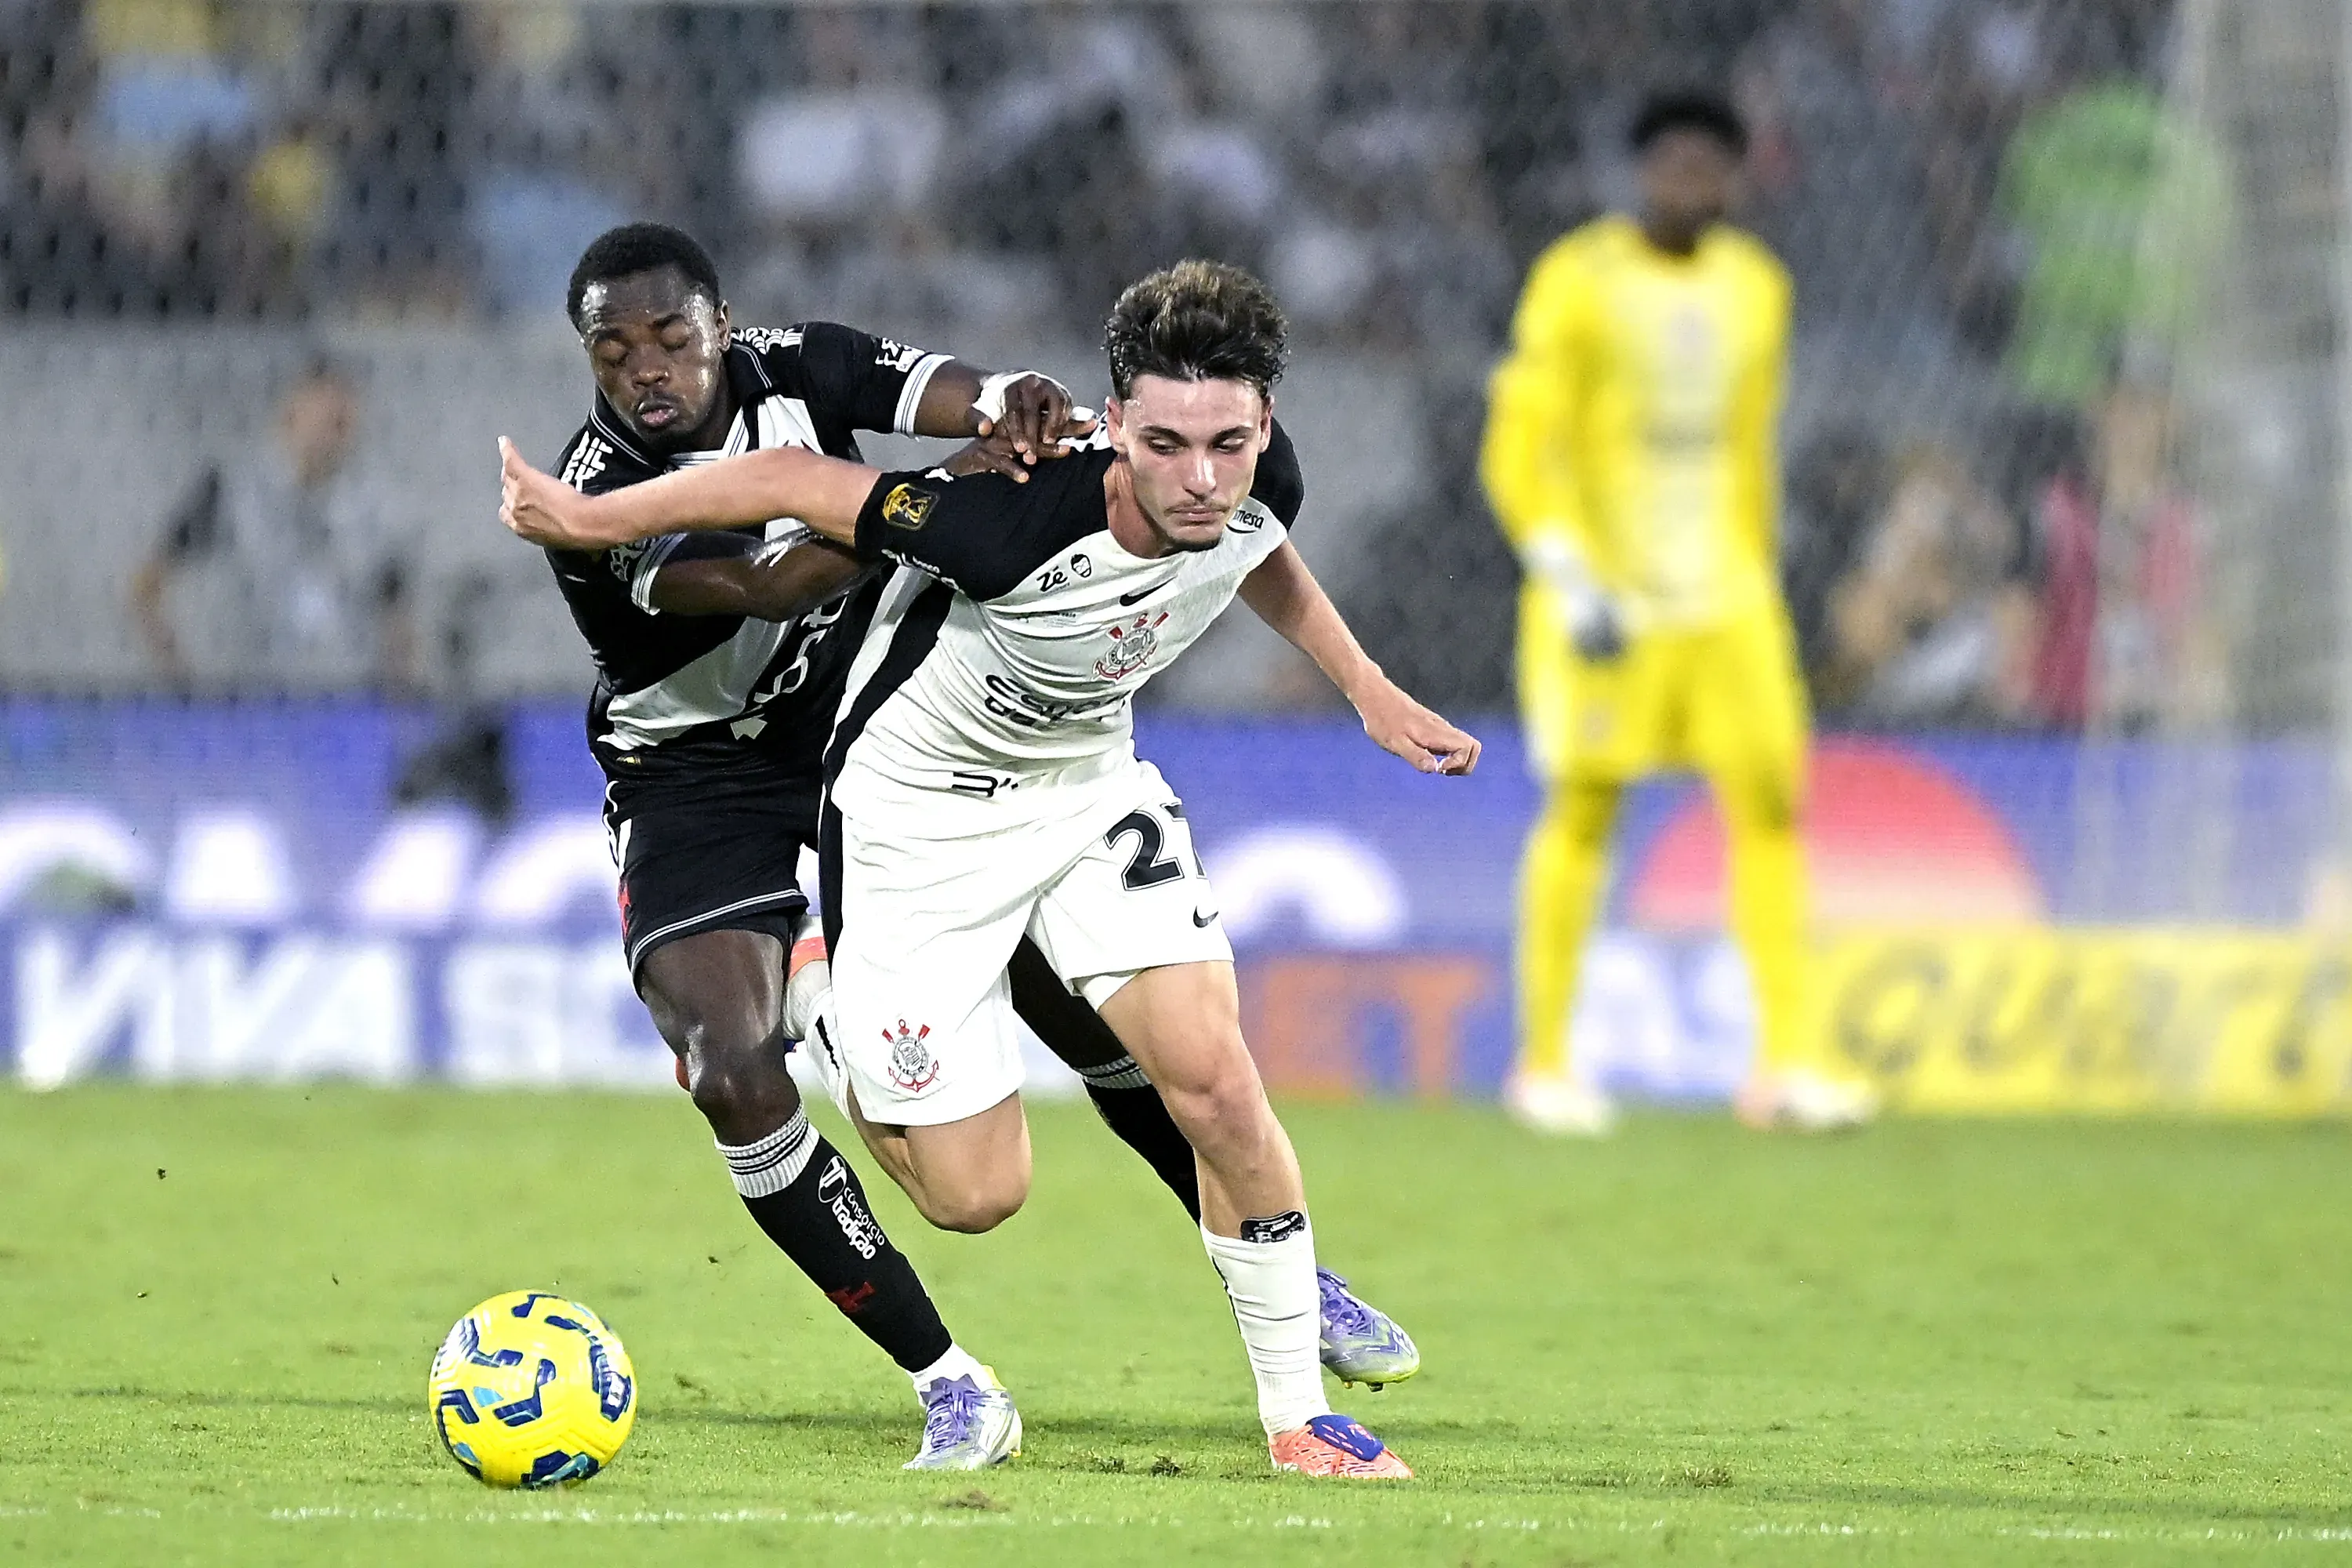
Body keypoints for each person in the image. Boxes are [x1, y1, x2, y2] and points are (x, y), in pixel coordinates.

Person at [499, 258, 1477, 1479]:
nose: (1205, 476)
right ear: (1119, 427)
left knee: (1211, 1077)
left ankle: (1293, 1370)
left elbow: (1251, 542)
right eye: (1169, 443)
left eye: (1227, 441)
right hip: (771, 776)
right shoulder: (998, 520)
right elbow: (783, 525)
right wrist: (583, 522)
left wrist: (1369, 688)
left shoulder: (1234, 473)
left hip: (1079, 786)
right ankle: (834, 1006)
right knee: (960, 1187)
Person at [1479, 90, 1875, 1136]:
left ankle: (1787, 1063)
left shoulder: (1758, 287)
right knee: (1584, 809)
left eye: (1712, 167)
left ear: (1737, 181)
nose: (1691, 185)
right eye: (1672, 165)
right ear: (1641, 173)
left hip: (1730, 597)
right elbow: (1525, 433)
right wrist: (1566, 570)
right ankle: (1547, 1063)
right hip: (1610, 596)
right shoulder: (1581, 279)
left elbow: (1750, 444)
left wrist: (1762, 565)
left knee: (1771, 809)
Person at [131, 357, 414, 689]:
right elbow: (145, 588)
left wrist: (397, 699)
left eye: (342, 422)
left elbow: (396, 616)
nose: (334, 430)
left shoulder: (375, 510)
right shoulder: (228, 489)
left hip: (345, 701)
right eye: (325, 415)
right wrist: (182, 684)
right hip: (248, 701)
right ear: (290, 411)